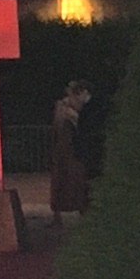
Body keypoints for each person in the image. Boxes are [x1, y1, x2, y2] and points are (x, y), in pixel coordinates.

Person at [49, 79, 92, 225]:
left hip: (71, 149)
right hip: (66, 148)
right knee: (63, 180)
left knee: (76, 180)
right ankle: (62, 214)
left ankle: (80, 211)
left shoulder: (72, 108)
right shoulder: (65, 108)